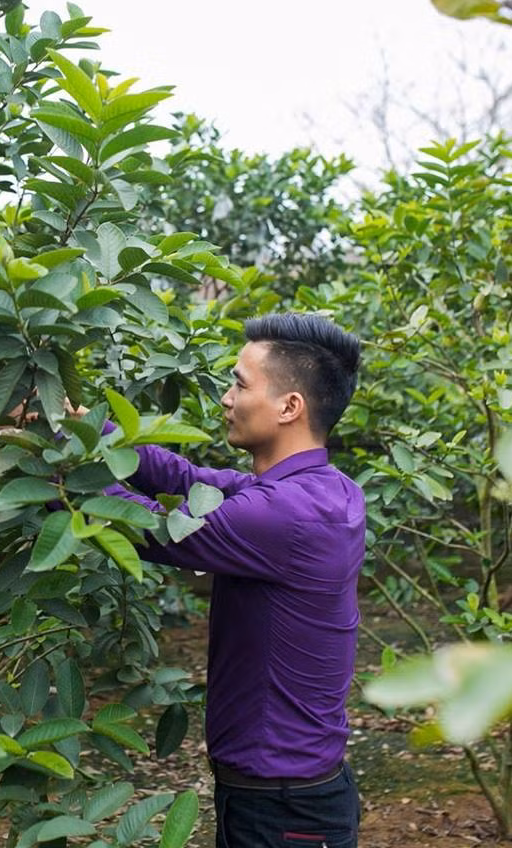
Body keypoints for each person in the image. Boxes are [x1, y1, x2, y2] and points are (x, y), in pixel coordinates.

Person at [104, 313, 365, 848]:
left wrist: (54, 460)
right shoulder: (325, 488)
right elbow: (187, 479)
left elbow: (150, 525)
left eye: (240, 384)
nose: (226, 397)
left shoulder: (285, 515)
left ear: (289, 406)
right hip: (289, 795)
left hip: (281, 808)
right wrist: (86, 426)